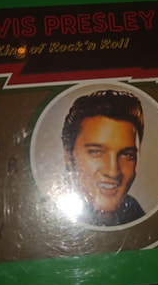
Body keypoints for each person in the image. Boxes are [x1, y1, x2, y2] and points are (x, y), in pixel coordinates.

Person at [61, 89, 145, 226]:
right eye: (96, 152)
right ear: (69, 156)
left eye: (127, 155)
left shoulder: (142, 220)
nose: (113, 172)